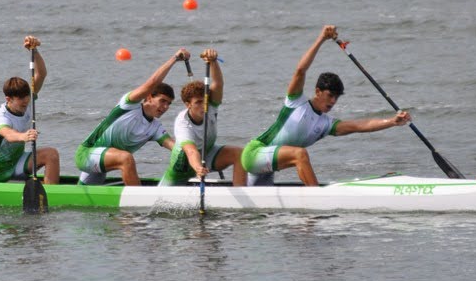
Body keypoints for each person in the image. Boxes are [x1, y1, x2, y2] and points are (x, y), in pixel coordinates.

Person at [241, 25, 412, 186]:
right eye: (330, 95)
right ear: (318, 91)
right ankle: (317, 199)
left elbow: (360, 126)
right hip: (254, 153)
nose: (333, 101)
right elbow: (300, 71)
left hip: (268, 164)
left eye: (336, 97)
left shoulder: (326, 124)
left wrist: (392, 121)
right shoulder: (296, 102)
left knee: (259, 203)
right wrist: (321, 38)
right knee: (300, 154)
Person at [76, 48, 189, 185]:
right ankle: (137, 197)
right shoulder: (129, 105)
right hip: (86, 154)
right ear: (149, 97)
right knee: (126, 158)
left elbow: (174, 147)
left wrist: (194, 153)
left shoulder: (155, 128)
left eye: (169, 104)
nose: (165, 107)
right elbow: (152, 83)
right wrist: (174, 59)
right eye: (162, 101)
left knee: (82, 193)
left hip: (103, 161)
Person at [0, 35, 60, 184]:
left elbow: (41, 74)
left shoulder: (28, 101)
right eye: (20, 98)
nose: (26, 101)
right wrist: (24, 136)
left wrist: (34, 50)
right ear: (9, 99)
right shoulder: (0, 117)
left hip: (17, 162)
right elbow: (9, 135)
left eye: (26, 96)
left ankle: (50, 194)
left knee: (51, 154)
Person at [159, 48, 248, 187]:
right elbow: (191, 151)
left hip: (207, 154)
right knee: (162, 197)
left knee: (240, 154)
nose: (204, 106)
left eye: (205, 101)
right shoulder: (183, 123)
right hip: (183, 165)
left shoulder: (211, 106)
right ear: (188, 104)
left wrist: (213, 62)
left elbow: (218, 83)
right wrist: (198, 168)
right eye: (198, 102)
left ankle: (241, 191)